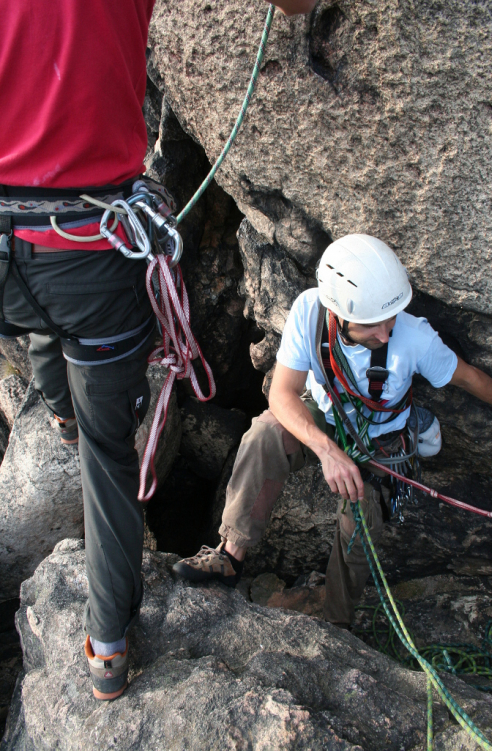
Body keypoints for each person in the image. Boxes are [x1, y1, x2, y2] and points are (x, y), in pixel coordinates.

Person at [0, 0, 319, 701]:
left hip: (11, 251)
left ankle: (60, 411)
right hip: (90, 253)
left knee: (37, 321)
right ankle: (107, 647)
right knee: (108, 454)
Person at [173, 234, 492, 628]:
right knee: (263, 436)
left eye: (390, 317)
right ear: (338, 315)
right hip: (324, 417)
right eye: (371, 324)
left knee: (359, 524)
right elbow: (282, 392)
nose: (385, 332)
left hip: (379, 440)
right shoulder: (310, 312)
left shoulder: (414, 337)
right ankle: (230, 556)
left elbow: (468, 378)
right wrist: (327, 451)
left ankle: (337, 623)